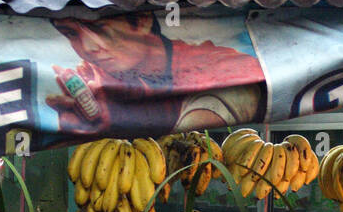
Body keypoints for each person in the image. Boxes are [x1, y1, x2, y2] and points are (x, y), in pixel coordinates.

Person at [46, 15, 265, 136]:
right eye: (71, 33)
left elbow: (221, 104)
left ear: (141, 21)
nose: (88, 47)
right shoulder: (88, 77)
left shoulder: (215, 64)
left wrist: (119, 121)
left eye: (99, 29)